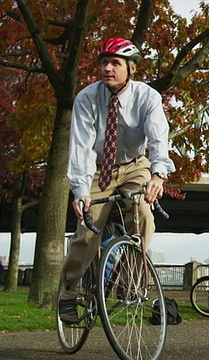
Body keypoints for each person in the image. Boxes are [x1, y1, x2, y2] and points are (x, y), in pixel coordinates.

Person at [59, 37, 176, 324]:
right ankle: (69, 292)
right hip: (100, 169)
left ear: (132, 69)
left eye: (115, 63)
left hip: (135, 166)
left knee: (144, 217)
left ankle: (130, 282)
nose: (107, 68)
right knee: (88, 230)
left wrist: (158, 175)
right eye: (104, 63)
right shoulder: (87, 98)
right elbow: (81, 148)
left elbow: (159, 138)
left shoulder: (147, 97)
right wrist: (81, 190)